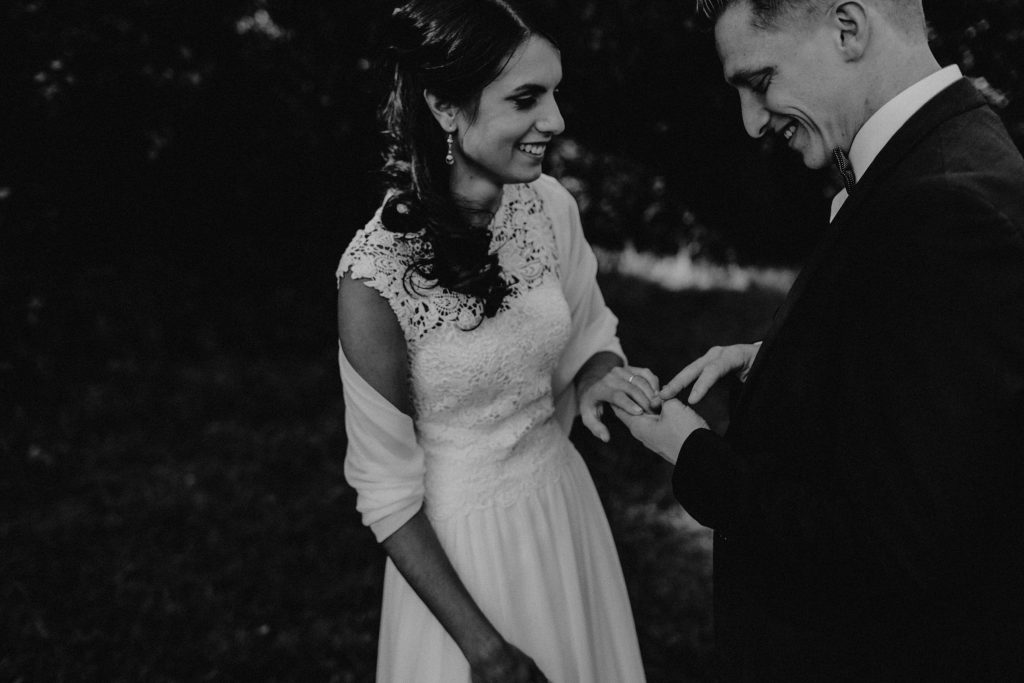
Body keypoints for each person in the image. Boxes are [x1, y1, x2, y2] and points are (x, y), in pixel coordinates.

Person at [615, 0, 1024, 679]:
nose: (752, 121)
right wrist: (779, 360)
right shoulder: (947, 152)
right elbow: (948, 401)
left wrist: (693, 454)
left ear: (847, 28)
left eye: (760, 80)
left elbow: (888, 549)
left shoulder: (940, 209)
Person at [336, 1, 654, 680]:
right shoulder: (373, 282)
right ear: (446, 108)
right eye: (526, 99)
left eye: (555, 93)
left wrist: (599, 374)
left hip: (563, 514)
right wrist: (486, 650)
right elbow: (386, 493)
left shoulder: (550, 209)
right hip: (463, 564)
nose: (556, 120)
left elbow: (592, 335)